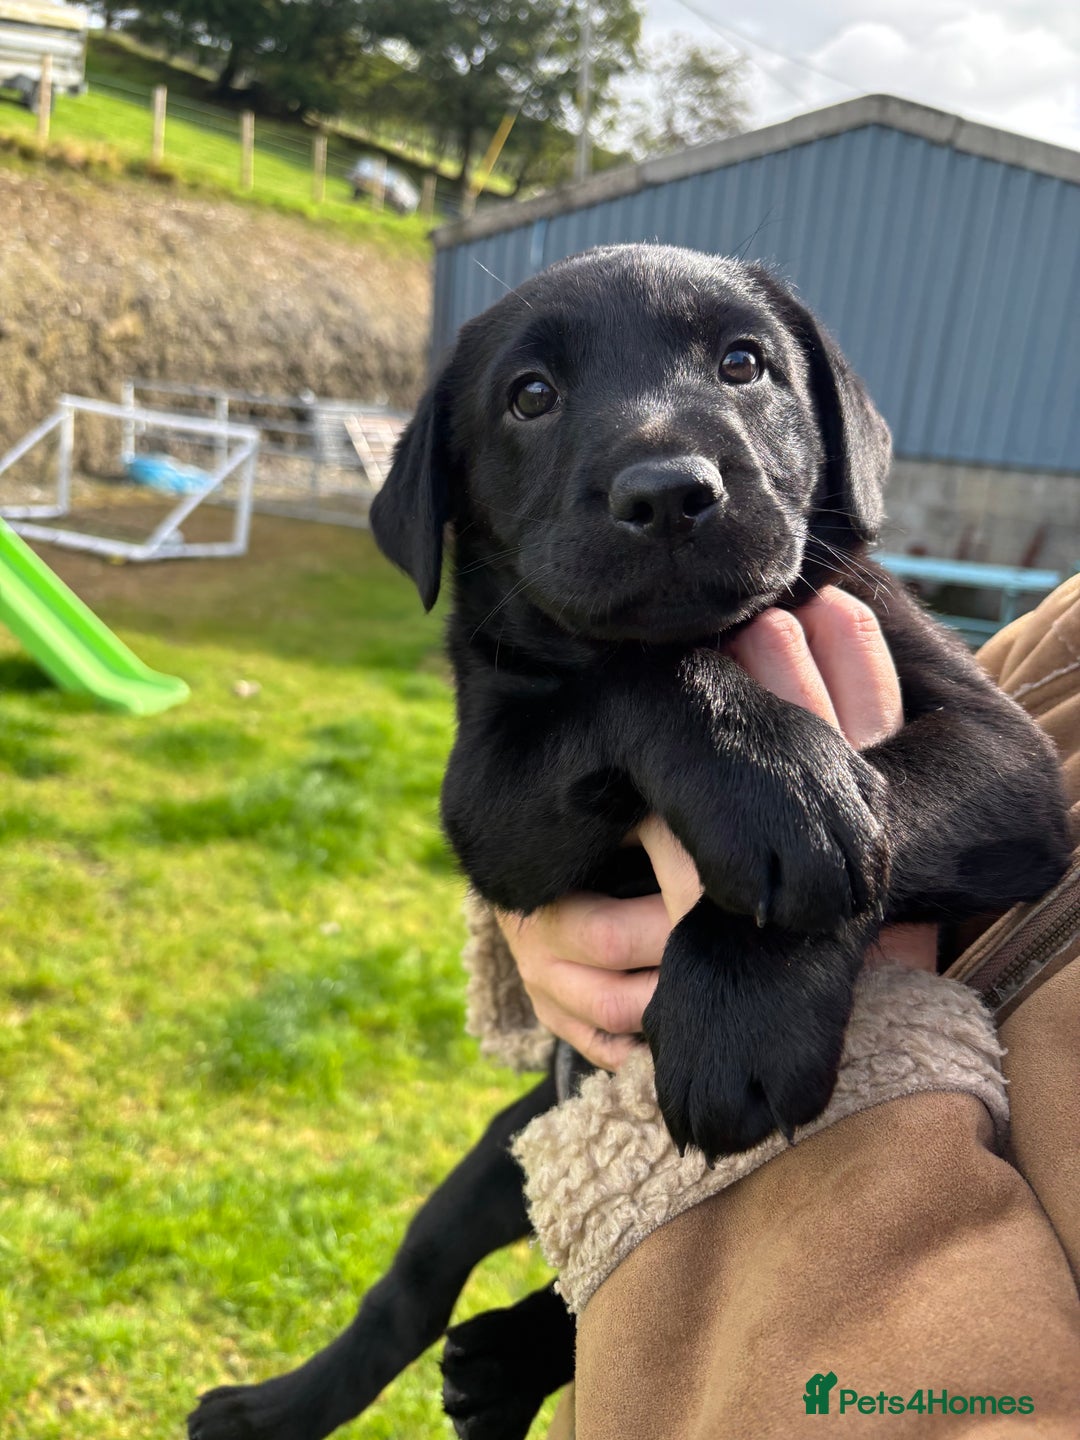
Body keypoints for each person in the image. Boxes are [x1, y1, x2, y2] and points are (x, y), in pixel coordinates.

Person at [462, 580, 1080, 1437]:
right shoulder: (1068, 626)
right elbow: (955, 765)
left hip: (818, 1312)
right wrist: (571, 913)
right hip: (659, 1338)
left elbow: (1014, 807)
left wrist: (797, 933)